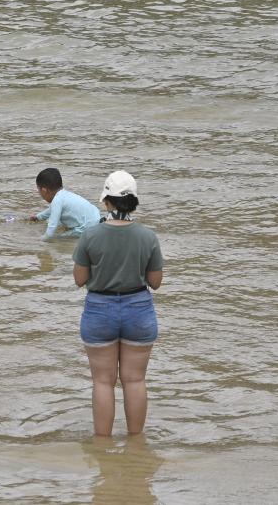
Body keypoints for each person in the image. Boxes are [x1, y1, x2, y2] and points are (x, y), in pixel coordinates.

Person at [73, 170, 164, 437]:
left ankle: (103, 446)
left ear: (106, 200)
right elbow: (155, 282)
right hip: (139, 309)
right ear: (134, 201)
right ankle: (136, 444)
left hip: (100, 309)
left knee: (102, 382)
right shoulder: (148, 237)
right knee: (135, 380)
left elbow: (80, 279)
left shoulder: (91, 235)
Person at [30, 166, 100, 240]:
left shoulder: (57, 200)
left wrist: (42, 239)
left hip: (86, 228)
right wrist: (38, 217)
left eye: (39, 190)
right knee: (60, 221)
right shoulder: (64, 195)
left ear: (44, 190)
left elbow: (52, 226)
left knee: (60, 238)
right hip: (95, 218)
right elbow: (51, 210)